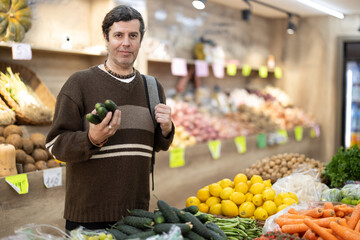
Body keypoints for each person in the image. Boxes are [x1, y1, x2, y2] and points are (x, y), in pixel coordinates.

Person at [45, 5, 174, 232]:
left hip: (137, 215)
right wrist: (91, 139)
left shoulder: (153, 87)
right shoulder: (79, 83)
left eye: (133, 35)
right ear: (106, 38)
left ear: (140, 40)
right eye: (118, 35)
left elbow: (157, 146)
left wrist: (166, 129)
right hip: (88, 216)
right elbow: (55, 145)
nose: (126, 43)